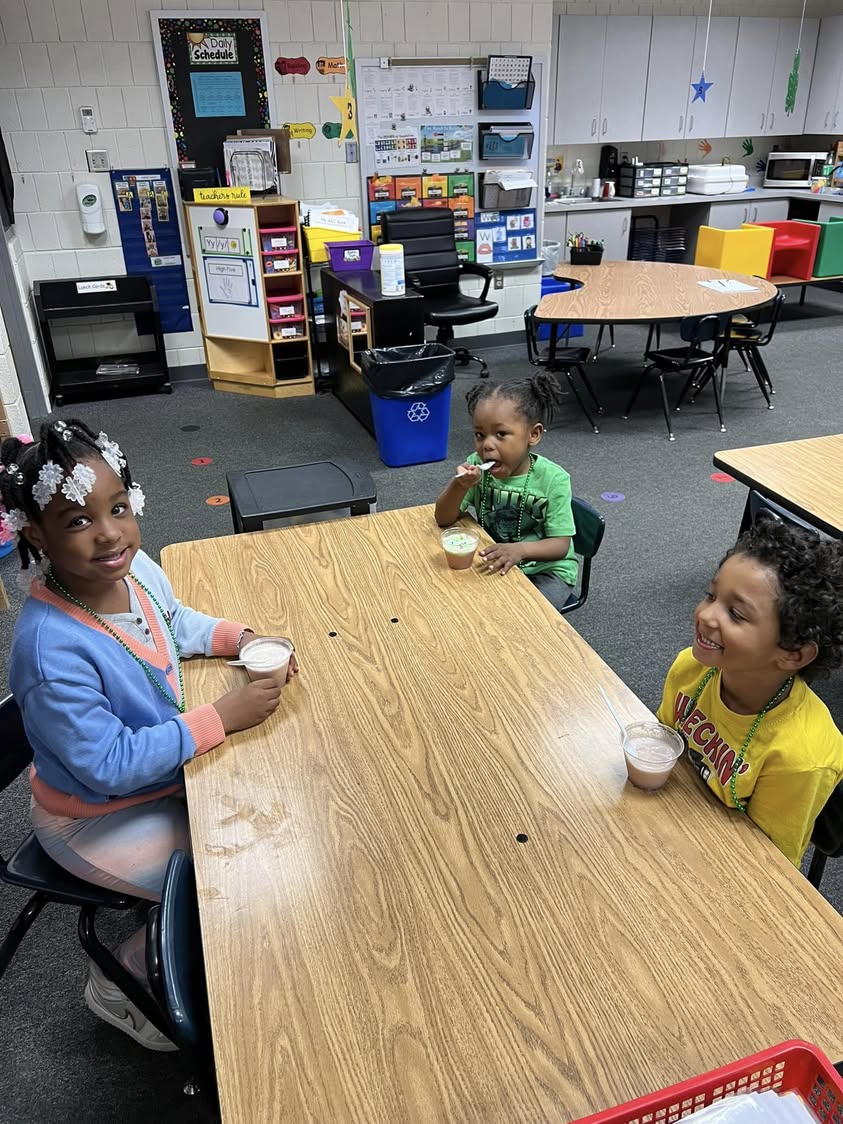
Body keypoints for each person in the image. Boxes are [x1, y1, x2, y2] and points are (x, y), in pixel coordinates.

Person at [0, 419, 298, 1050]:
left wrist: (237, 639)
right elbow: (106, 766)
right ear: (37, 535)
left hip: (157, 777)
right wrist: (221, 716)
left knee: (266, 812)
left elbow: (174, 618)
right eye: (78, 521)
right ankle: (123, 977)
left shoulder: (135, 575)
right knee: (236, 870)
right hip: (93, 817)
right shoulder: (52, 653)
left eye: (116, 508)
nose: (108, 533)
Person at [657, 516, 843, 866]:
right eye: (711, 595)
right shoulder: (691, 668)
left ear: (792, 653)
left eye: (736, 614)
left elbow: (764, 866)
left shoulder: (800, 757)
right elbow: (662, 744)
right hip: (670, 827)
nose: (706, 615)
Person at [434, 373, 577, 611]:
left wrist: (520, 550)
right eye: (480, 435)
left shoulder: (554, 480)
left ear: (533, 434)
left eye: (500, 434)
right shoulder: (476, 468)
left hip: (547, 571)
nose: (487, 445)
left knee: (524, 619)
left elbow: (561, 545)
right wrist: (459, 485)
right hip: (497, 559)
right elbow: (442, 518)